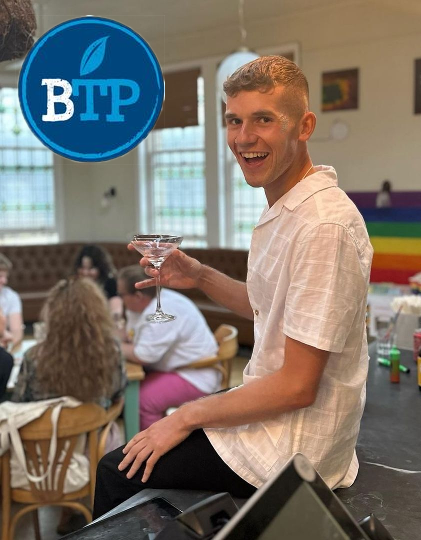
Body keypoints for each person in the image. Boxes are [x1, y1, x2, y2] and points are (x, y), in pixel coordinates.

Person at [94, 56, 373, 518]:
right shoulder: (287, 208)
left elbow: (298, 387)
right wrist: (200, 276)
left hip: (293, 446)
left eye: (264, 119)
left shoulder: (325, 225)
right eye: (234, 120)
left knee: (116, 470)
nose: (244, 138)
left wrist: (184, 416)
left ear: (304, 126)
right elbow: (267, 308)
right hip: (279, 419)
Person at [117, 265, 219, 430]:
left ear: (138, 296)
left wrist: (113, 344)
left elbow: (143, 355)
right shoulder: (152, 302)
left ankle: (152, 451)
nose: (120, 299)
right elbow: (131, 336)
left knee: (142, 400)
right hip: (181, 367)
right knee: (128, 389)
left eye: (122, 295)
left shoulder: (162, 312)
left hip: (195, 375)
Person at [11, 277, 126, 408]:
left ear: (52, 315)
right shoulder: (112, 350)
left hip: (47, 427)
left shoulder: (34, 357)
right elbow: (118, 394)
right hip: (96, 425)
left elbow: (19, 404)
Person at [72, 244, 123, 321]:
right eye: (82, 267)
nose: (85, 273)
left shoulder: (110, 283)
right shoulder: (74, 284)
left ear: (101, 268)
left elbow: (116, 312)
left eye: (91, 268)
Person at [0, 253, 24, 352]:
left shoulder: (11, 296)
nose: (4, 281)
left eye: (6, 276)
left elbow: (17, 332)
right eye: (0, 276)